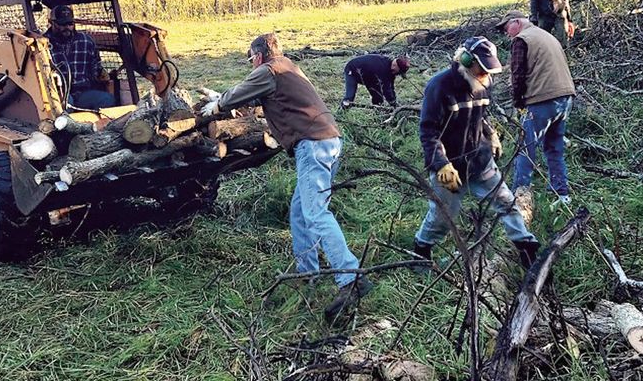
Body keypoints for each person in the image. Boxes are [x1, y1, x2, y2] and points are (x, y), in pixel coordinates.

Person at [200, 33, 371, 323]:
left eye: (250, 58)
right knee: (300, 212)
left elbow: (247, 88)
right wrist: (224, 99)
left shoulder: (268, 70)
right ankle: (308, 274)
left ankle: (349, 277)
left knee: (316, 213)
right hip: (328, 141)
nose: (251, 63)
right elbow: (253, 96)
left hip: (313, 145)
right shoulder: (288, 67)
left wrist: (217, 106)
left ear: (257, 55)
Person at [411, 36, 540, 271]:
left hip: (480, 160)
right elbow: (429, 132)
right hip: (449, 165)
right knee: (443, 215)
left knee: (507, 203)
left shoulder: (484, 84)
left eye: (488, 71)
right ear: (465, 59)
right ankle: (421, 250)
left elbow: (481, 117)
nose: (485, 75)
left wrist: (490, 133)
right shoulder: (439, 87)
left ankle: (527, 249)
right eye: (481, 69)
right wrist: (441, 164)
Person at [496, 10, 576, 224]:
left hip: (543, 100)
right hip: (566, 97)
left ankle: (517, 200)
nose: (506, 34)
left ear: (516, 22)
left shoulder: (522, 40)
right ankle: (562, 195)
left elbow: (518, 74)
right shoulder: (545, 35)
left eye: (506, 28)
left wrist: (518, 102)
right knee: (554, 148)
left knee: (525, 149)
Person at [44, 5, 112, 110]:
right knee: (65, 105)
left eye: (70, 23)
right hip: (59, 93)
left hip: (84, 92)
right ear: (51, 22)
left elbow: (96, 68)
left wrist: (103, 76)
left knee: (107, 99)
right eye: (62, 24)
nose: (67, 27)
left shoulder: (86, 41)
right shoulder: (43, 44)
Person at [340, 54, 410, 109]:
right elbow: (386, 90)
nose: (398, 74)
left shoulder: (390, 70)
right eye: (399, 72)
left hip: (369, 76)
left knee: (378, 98)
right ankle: (340, 114)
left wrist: (394, 102)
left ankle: (378, 115)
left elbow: (391, 87)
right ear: (395, 66)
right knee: (350, 96)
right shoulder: (383, 68)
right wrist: (393, 104)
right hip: (352, 70)